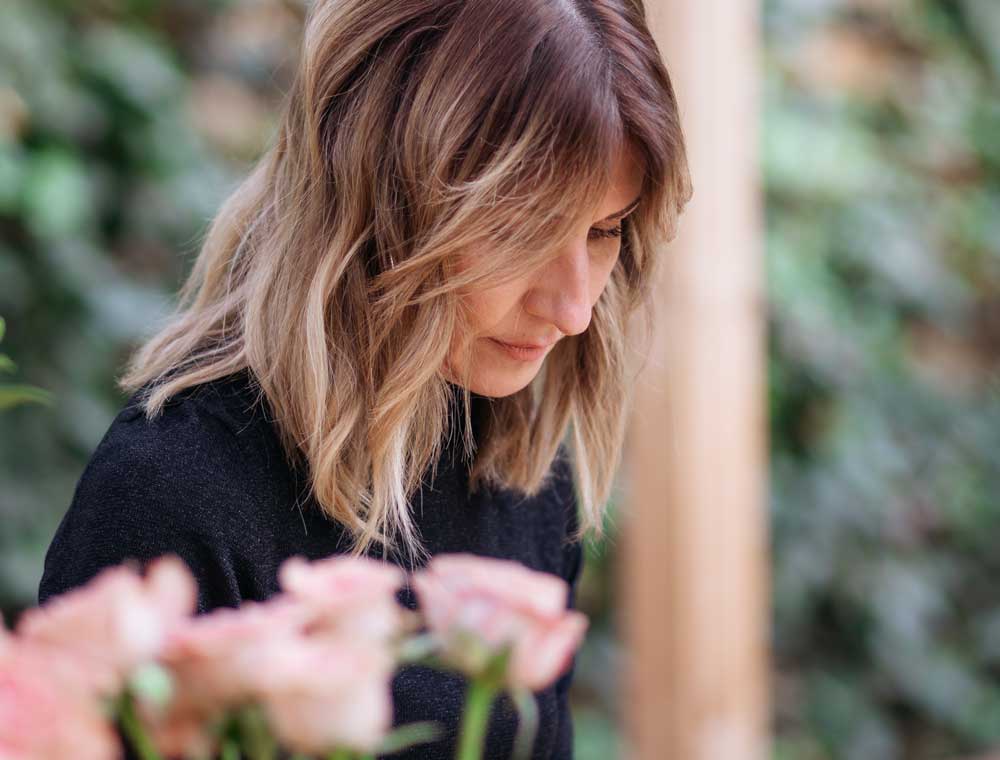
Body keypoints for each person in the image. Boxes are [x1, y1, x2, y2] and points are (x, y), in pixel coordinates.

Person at [37, 0, 692, 758]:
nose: (575, 308)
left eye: (604, 230)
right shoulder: (173, 493)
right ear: (381, 196)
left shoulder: (524, 475)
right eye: (524, 229)